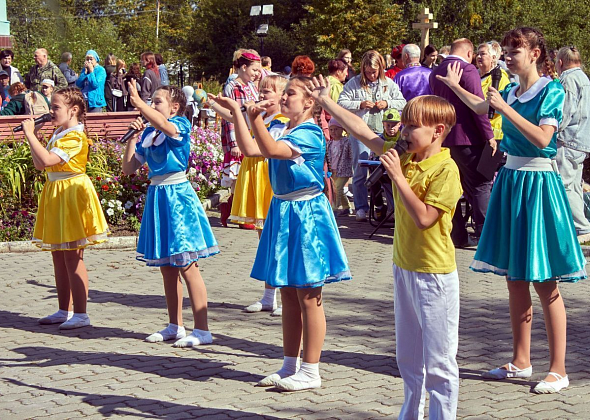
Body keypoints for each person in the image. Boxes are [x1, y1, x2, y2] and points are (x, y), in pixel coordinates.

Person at [437, 26, 587, 394]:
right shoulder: (510, 89)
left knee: (544, 280)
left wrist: (505, 108)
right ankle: (521, 361)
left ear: (535, 53)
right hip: (512, 180)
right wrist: (456, 87)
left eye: (513, 51)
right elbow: (481, 106)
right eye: (504, 50)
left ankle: (559, 369)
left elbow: (543, 139)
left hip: (538, 185)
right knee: (514, 277)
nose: (507, 56)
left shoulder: (552, 89)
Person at [316, 81, 462, 418]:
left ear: (438, 131)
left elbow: (426, 218)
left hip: (434, 276)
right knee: (408, 359)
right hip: (404, 267)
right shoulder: (406, 155)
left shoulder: (446, 169)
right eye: (404, 124)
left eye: (412, 125)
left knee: (439, 361)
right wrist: (328, 102)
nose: (404, 131)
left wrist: (397, 177)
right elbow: (362, 130)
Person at [241, 76, 351, 391]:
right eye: (284, 92)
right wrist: (239, 115)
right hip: (285, 211)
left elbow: (273, 151)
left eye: (291, 93)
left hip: (307, 216)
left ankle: (311, 369)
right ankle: (290, 365)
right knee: (288, 292)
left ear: (308, 102)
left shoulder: (310, 133)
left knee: (309, 295)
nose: (285, 97)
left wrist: (253, 118)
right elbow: (253, 148)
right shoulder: (286, 128)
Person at [122, 83, 219, 348]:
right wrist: (132, 137)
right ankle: (175, 325)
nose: (152, 107)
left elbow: (170, 129)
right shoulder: (150, 133)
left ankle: (202, 329)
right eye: (151, 102)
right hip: (158, 195)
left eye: (157, 102)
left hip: (177, 196)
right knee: (166, 266)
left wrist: (140, 105)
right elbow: (130, 168)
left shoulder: (180, 125)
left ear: (174, 107)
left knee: (187, 264)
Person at [22, 87, 109, 329]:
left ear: (74, 110)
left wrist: (30, 135)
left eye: (56, 107)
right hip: (56, 192)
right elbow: (41, 165)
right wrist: (34, 137)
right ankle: (63, 309)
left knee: (73, 255)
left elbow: (49, 160)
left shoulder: (75, 135)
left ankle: (81, 313)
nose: (51, 111)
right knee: (58, 255)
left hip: (71, 193)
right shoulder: (60, 132)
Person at [210, 74, 290, 317]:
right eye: (261, 90)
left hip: (268, 176)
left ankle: (286, 295)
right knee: (264, 239)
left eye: (268, 91)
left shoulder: (282, 121)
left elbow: (267, 147)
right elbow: (239, 121)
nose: (262, 94)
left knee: (279, 240)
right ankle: (269, 296)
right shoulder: (262, 116)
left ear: (281, 96)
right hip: (254, 172)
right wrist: (215, 105)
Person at [430, 38, 495, 247]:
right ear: (469, 53)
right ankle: (486, 236)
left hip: (444, 139)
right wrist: (489, 136)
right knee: (480, 186)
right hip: (468, 139)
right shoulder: (468, 71)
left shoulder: (435, 71)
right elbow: (477, 106)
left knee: (452, 187)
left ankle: (457, 235)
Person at [338, 50, 406, 221]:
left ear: (381, 69)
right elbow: (341, 102)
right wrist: (359, 104)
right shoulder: (354, 83)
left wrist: (387, 103)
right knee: (360, 170)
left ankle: (387, 206)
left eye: (374, 72)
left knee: (384, 170)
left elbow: (402, 102)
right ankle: (361, 207)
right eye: (367, 72)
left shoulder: (388, 83)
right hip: (361, 132)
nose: (371, 75)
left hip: (383, 134)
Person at [219, 49, 261, 227]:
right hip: (238, 136)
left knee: (248, 174)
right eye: (254, 70)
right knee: (237, 176)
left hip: (250, 135)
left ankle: (240, 209)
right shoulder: (233, 86)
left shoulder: (250, 86)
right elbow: (231, 116)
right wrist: (234, 142)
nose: (257, 74)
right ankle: (233, 209)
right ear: (244, 67)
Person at [555, 46, 590, 243]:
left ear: (560, 62)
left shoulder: (568, 79)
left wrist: (554, 129)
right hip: (582, 140)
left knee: (565, 186)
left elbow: (566, 111)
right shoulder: (584, 78)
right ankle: (580, 225)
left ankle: (582, 227)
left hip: (568, 139)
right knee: (575, 185)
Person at [477, 41, 510, 141]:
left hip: (493, 133)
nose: (478, 57)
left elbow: (500, 106)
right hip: (477, 131)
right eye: (477, 53)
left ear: (494, 58)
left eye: (483, 54)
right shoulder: (475, 76)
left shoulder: (500, 78)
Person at [326, 118, 353, 216]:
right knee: (338, 189)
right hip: (332, 171)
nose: (334, 132)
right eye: (331, 130)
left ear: (342, 130)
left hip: (343, 170)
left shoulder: (347, 142)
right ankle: (346, 207)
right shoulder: (329, 144)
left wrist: (351, 166)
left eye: (336, 129)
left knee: (337, 189)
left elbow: (351, 155)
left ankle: (334, 209)